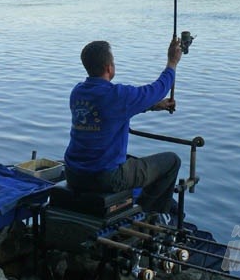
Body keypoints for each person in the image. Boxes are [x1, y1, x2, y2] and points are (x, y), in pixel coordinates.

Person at [64, 36, 183, 220]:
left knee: (133, 160)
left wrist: (153, 105)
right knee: (171, 161)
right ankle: (150, 214)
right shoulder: (117, 95)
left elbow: (109, 111)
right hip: (104, 177)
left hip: (74, 173)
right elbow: (158, 88)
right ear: (109, 68)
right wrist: (172, 62)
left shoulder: (78, 92)